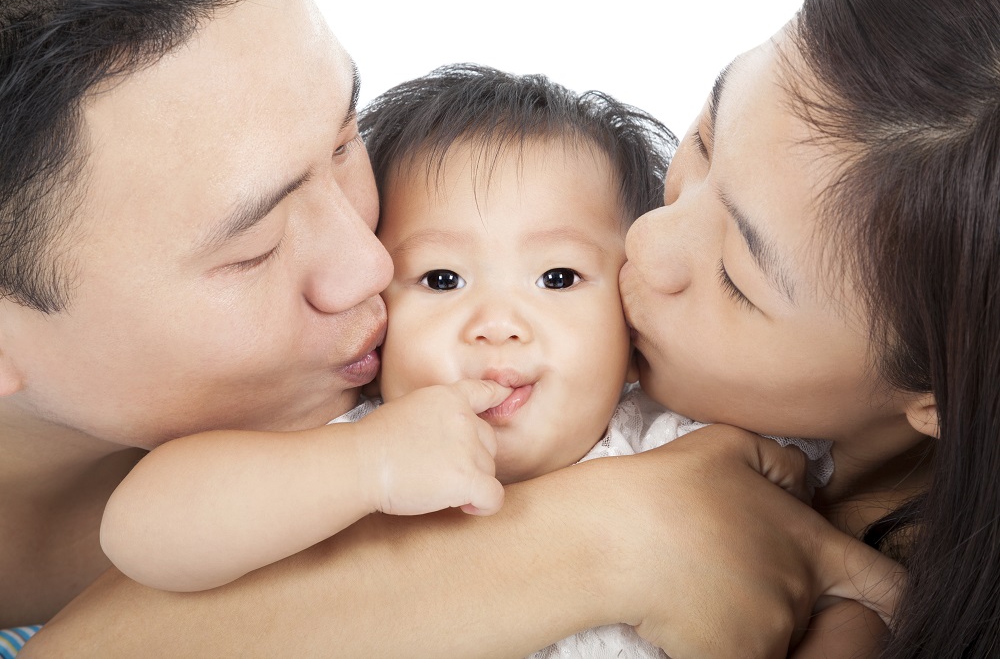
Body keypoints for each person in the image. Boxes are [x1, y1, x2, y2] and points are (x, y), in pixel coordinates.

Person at [13, 0, 982, 656]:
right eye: (253, 245)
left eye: (344, 138)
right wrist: (616, 534)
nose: (373, 262)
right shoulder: (387, 407)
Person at [97, 63, 840, 657]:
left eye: (557, 278)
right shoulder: (349, 442)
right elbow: (141, 532)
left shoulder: (693, 449)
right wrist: (364, 464)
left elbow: (835, 586)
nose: (497, 326)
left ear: (630, 312)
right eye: (441, 279)